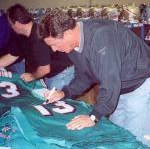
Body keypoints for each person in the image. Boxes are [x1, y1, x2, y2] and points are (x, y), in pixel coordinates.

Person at [38, 9, 150, 147]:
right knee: (117, 133)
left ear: (67, 33)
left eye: (54, 44)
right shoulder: (73, 44)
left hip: (140, 84)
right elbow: (84, 76)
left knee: (137, 139)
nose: (54, 49)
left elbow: (110, 80)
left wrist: (93, 116)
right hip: (119, 88)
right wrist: (64, 92)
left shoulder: (102, 35)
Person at [0, 4, 73, 89]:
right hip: (48, 72)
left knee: (54, 99)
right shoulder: (22, 36)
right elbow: (11, 56)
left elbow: (45, 69)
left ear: (17, 23)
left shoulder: (38, 37)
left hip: (61, 73)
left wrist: (32, 76)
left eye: (10, 24)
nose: (10, 27)